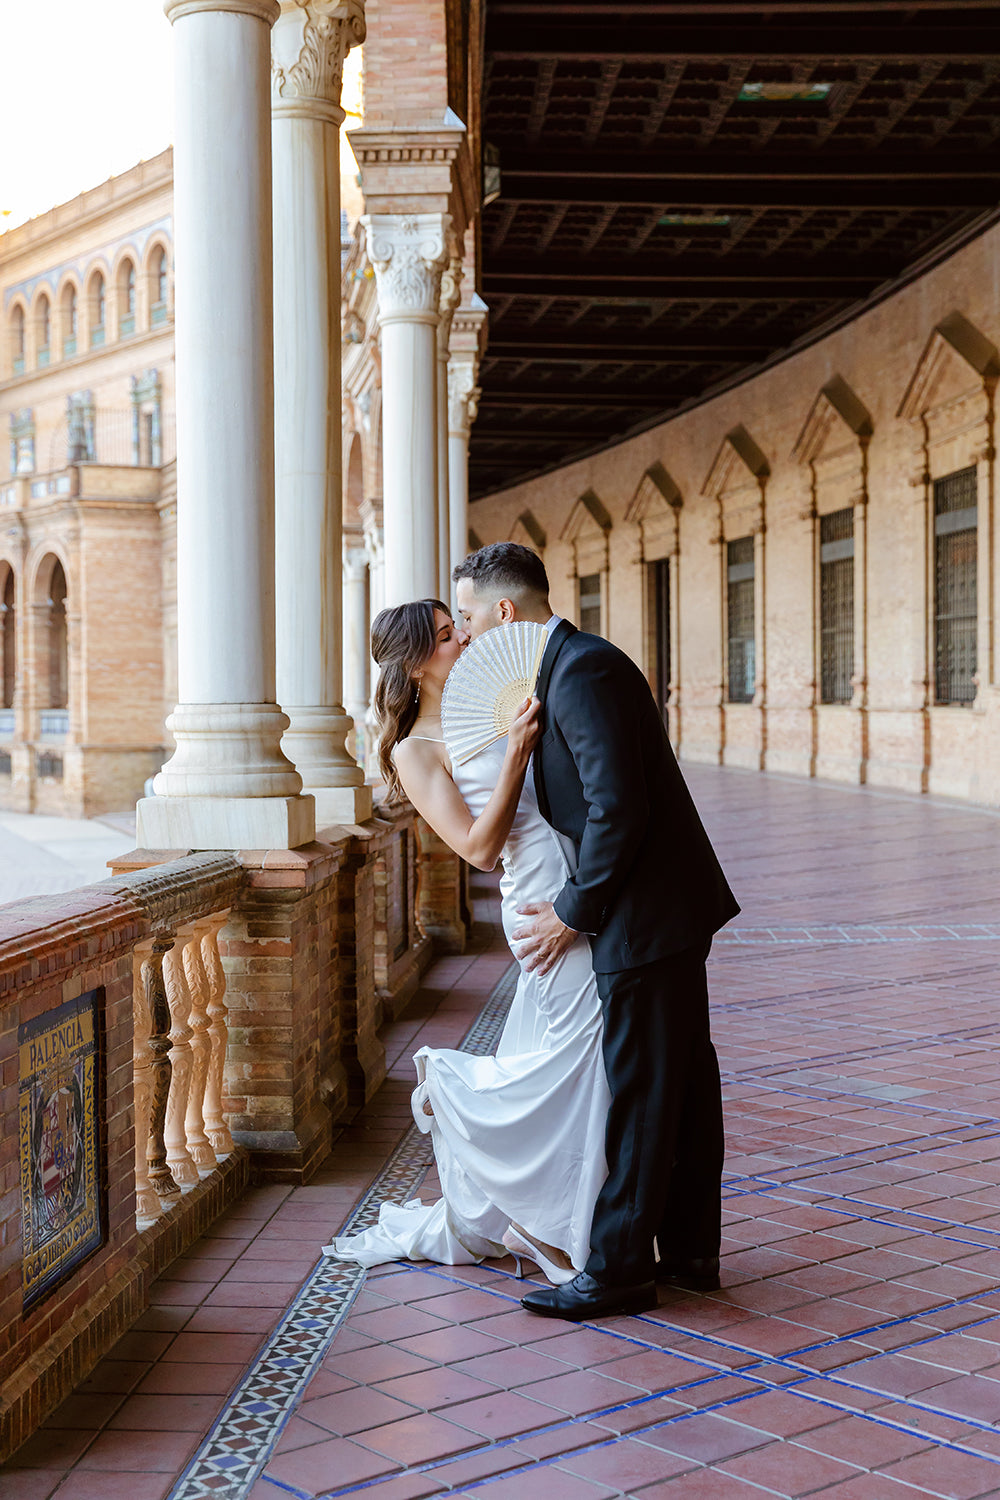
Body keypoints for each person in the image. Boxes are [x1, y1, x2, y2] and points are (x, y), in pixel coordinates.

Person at [453, 543, 740, 1322]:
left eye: (470, 618)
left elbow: (620, 807)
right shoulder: (562, 673)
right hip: (657, 910)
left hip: (644, 915)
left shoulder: (584, 671)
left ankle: (617, 1271)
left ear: (504, 611)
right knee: (680, 1084)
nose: (468, 634)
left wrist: (571, 912)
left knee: (646, 1090)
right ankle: (689, 1253)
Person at [327, 598, 612, 1283]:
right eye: (446, 637)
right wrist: (515, 752)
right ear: (415, 664)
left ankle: (553, 1215)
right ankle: (526, 1190)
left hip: (573, 882)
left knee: (570, 1056)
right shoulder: (414, 750)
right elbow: (479, 849)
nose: (463, 641)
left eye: (459, 628)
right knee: (582, 1057)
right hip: (536, 902)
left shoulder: (486, 702)